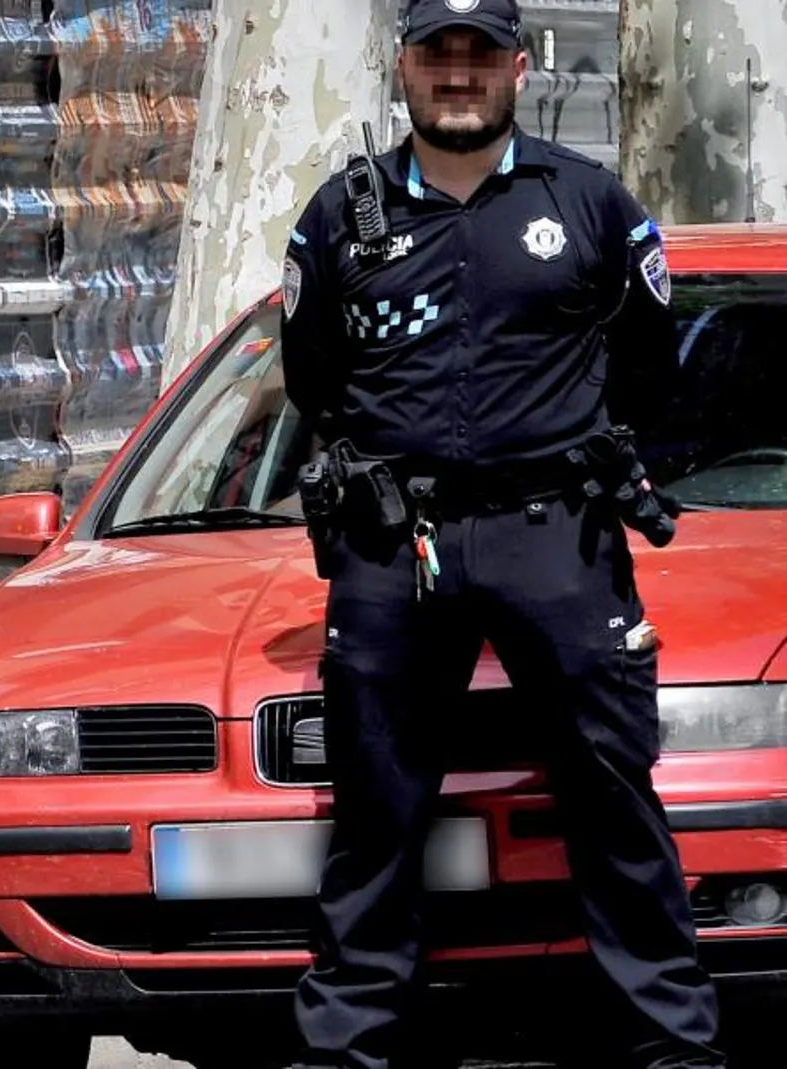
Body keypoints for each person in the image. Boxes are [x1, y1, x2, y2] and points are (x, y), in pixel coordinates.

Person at [279, 2, 721, 1066]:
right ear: (405, 69)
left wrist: (579, 442)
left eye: (480, 55)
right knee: (376, 815)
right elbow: (313, 379)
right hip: (397, 549)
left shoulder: (588, 200)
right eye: (438, 54)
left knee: (612, 799)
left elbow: (651, 364)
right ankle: (342, 1051)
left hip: (552, 535)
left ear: (520, 68)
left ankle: (674, 1049)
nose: (458, 75)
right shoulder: (342, 215)